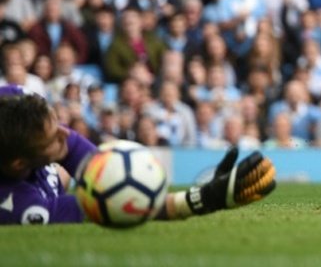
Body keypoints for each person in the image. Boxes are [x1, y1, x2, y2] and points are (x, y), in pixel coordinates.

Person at [0, 85, 276, 225]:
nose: (65, 134)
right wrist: (203, 199)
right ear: (18, 163)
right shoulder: (21, 208)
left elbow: (108, 178)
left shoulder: (13, 103)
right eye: (52, 138)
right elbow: (117, 203)